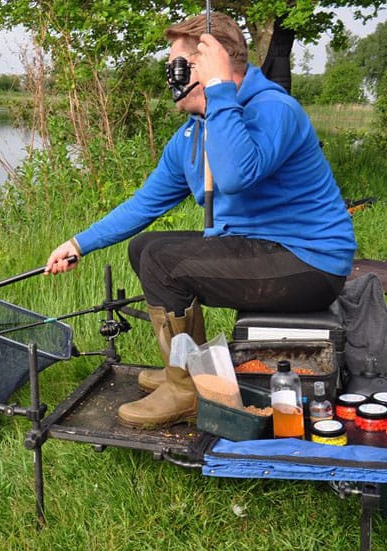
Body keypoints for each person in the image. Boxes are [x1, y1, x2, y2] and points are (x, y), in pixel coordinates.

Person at [44, 12, 356, 429]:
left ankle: (188, 391)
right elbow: (145, 204)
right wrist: (79, 243)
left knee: (164, 262)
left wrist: (220, 90)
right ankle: (189, 370)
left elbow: (235, 174)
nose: (169, 78)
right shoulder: (193, 132)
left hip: (310, 263)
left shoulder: (273, 110)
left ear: (212, 66)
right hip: (262, 249)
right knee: (146, 247)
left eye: (177, 67)